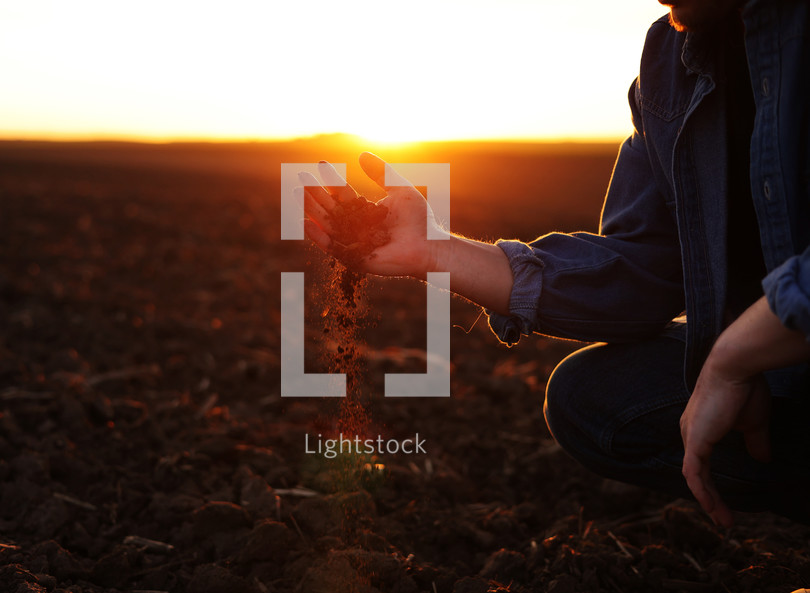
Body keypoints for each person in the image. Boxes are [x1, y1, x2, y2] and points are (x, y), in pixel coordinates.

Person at [299, 0, 810, 528]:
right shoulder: (672, 59)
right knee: (592, 397)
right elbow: (641, 270)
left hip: (775, 353)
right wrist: (436, 250)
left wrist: (735, 356)